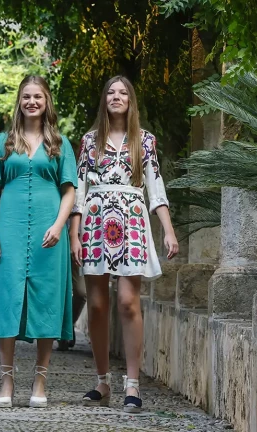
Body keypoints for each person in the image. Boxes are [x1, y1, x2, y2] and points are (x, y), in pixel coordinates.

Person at [70, 76, 179, 413]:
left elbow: (155, 187)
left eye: (123, 93)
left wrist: (168, 230)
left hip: (131, 223)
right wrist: (74, 233)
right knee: (98, 304)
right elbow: (79, 188)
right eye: (111, 93)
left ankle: (132, 384)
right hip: (95, 225)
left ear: (131, 101)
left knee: (129, 302)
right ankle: (102, 381)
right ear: (104, 100)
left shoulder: (144, 141)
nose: (116, 97)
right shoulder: (90, 141)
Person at [0, 75, 77, 409]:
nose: (32, 102)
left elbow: (70, 191)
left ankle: (40, 379)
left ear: (47, 101)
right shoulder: (1, 142)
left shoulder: (61, 144)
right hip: (9, 227)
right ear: (18, 102)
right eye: (26, 97)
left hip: (50, 231)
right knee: (7, 296)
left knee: (46, 298)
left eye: (38, 96)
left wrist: (59, 225)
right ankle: (6, 379)